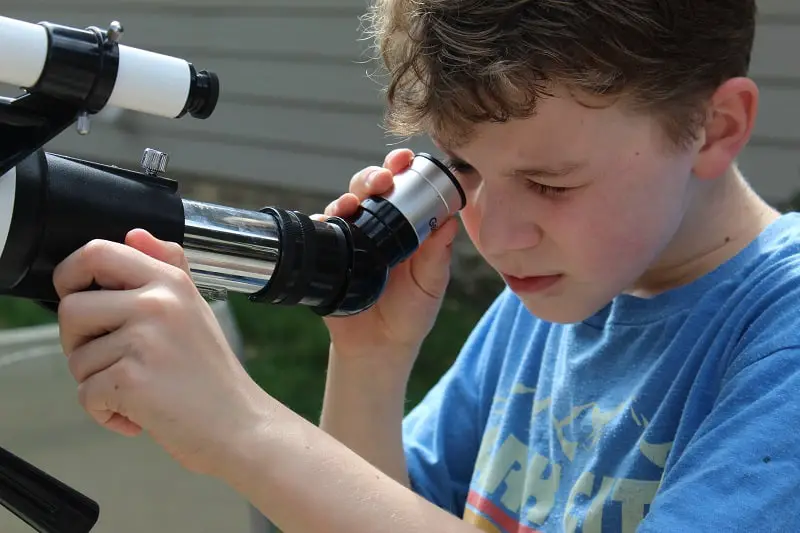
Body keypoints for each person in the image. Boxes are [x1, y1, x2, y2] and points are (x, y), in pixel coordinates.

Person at [52, 0, 800, 531]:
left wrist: (243, 428)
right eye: (466, 168)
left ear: (715, 127)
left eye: (550, 183)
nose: (498, 236)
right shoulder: (553, 302)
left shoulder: (778, 340)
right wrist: (370, 359)